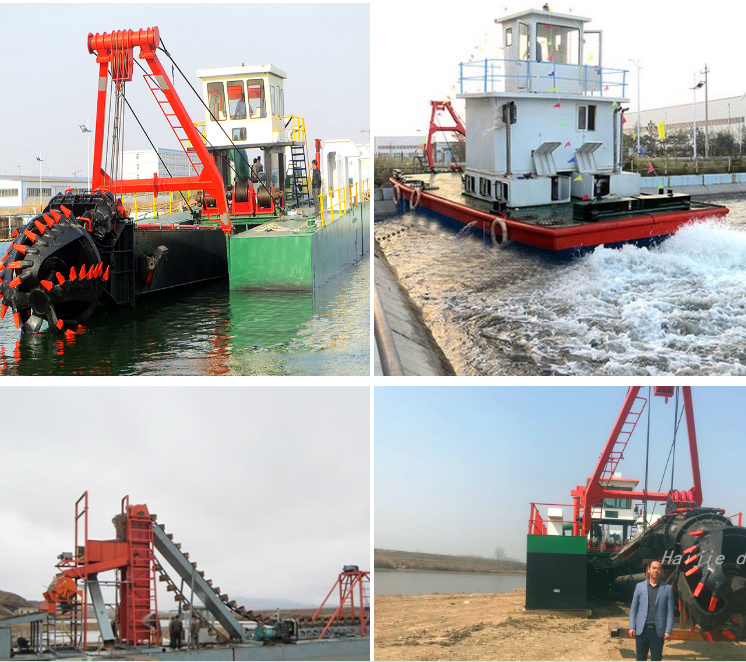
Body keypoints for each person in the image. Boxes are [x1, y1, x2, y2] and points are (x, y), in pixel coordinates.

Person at [628, 560, 674, 661]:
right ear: (648, 570)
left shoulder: (667, 589)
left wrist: (668, 630)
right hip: (641, 630)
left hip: (658, 631)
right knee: (640, 658)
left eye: (658, 568)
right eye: (653, 568)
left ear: (661, 571)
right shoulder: (639, 587)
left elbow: (670, 611)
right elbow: (634, 608)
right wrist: (632, 626)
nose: (656, 570)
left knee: (656, 658)